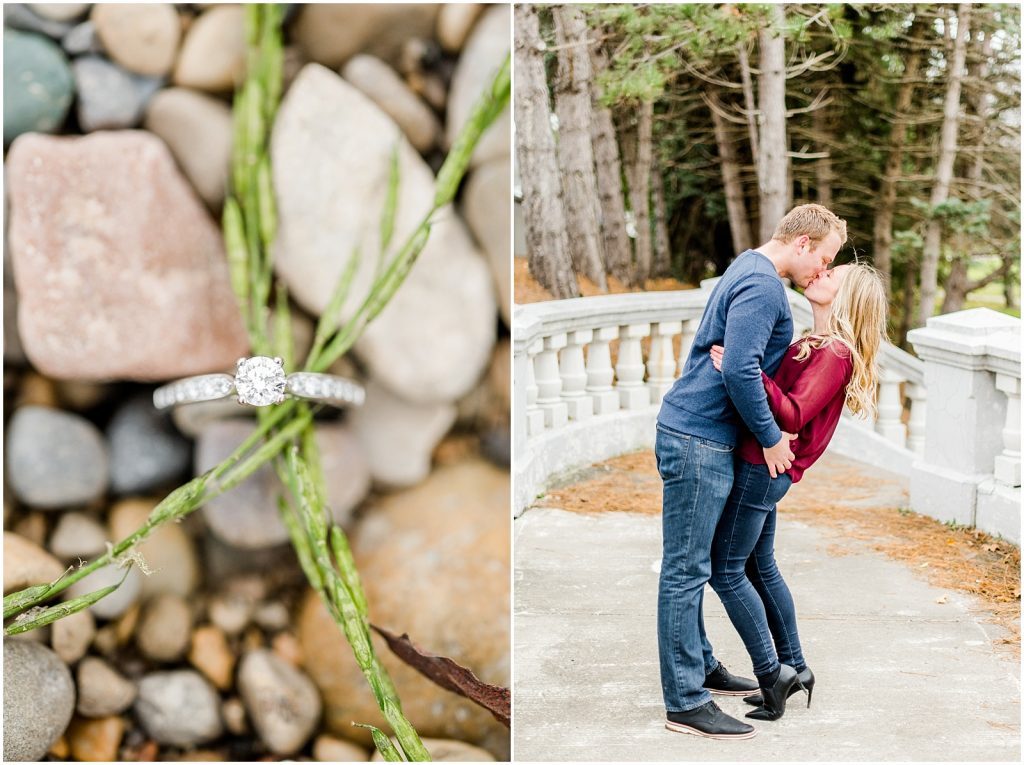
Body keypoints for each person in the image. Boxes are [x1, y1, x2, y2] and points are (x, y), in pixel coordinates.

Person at [656, 204, 846, 740]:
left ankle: (704, 667)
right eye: (824, 257)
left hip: (701, 434)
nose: (822, 270)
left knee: (702, 566)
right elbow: (739, 368)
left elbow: (747, 364)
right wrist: (771, 438)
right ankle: (685, 702)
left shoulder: (749, 267)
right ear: (804, 242)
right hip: (698, 438)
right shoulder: (764, 287)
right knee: (687, 571)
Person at [707, 262, 887, 722]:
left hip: (761, 469)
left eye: (834, 275)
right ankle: (798, 668)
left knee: (726, 571)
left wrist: (743, 367)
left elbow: (793, 415)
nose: (821, 274)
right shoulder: (812, 343)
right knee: (759, 566)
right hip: (763, 465)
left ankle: (773, 675)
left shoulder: (836, 354)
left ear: (846, 298)